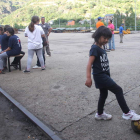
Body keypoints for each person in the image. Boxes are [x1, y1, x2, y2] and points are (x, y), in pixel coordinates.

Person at [85, 26, 140, 121]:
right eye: (104, 38)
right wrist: (88, 78)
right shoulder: (95, 48)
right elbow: (89, 63)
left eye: (108, 38)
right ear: (98, 36)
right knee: (118, 90)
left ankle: (100, 113)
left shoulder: (100, 47)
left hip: (104, 75)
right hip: (100, 76)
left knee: (103, 94)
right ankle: (127, 113)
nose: (106, 40)